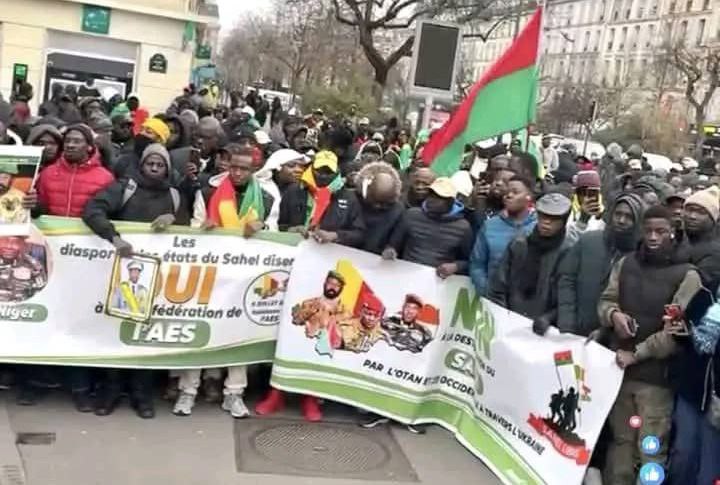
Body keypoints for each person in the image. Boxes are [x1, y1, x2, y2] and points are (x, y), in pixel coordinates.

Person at [82, 143, 189, 419]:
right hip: (121, 273)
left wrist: (174, 220)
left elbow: (191, 235)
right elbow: (93, 210)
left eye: (160, 164)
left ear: (167, 168)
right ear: (141, 165)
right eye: (150, 163)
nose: (154, 168)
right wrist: (113, 236)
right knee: (115, 332)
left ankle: (142, 395)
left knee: (146, 334)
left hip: (160, 278)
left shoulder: (176, 196)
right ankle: (111, 391)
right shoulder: (124, 188)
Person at [598, 205, 702, 485]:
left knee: (651, 449)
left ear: (673, 233)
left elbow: (675, 332)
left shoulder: (687, 275)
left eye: (661, 231)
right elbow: (606, 300)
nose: (653, 237)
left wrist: (636, 353)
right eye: (648, 231)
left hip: (657, 381)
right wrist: (613, 315)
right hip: (620, 372)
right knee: (620, 443)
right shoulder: (626, 263)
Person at [173, 146, 273, 418]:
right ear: (227, 166)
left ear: (254, 171)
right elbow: (194, 229)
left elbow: (275, 239)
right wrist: (204, 229)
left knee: (238, 334)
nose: (238, 173)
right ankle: (188, 391)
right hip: (211, 274)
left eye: (245, 169)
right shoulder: (207, 193)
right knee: (200, 331)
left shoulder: (265, 199)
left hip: (245, 278)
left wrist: (261, 227)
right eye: (234, 167)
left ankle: (234, 393)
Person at [28, 124, 114, 413]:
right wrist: (32, 203)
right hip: (49, 259)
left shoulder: (104, 178)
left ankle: (81, 388)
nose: (71, 145)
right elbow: (37, 207)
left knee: (79, 323)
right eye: (68, 141)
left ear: (90, 146)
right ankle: (35, 383)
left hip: (86, 264)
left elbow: (110, 214)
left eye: (78, 141)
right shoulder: (48, 174)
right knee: (44, 318)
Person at [257, 271, 346, 422]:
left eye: (337, 286)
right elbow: (296, 320)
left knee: (323, 359)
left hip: (324, 348)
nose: (333, 288)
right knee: (288, 350)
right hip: (303, 342)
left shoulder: (344, 310)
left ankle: (310, 399)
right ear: (325, 284)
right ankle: (276, 395)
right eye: (331, 283)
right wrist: (310, 311)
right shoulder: (310, 302)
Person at [557, 193, 645, 337]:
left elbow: (635, 305)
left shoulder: (639, 257)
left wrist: (605, 333)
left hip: (608, 341)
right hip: (570, 330)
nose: (622, 220)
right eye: (618, 214)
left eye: (629, 217)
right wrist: (567, 323)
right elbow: (566, 280)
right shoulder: (588, 241)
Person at [488, 193, 573, 333]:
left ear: (563, 221)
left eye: (553, 219)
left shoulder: (569, 251)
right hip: (510, 323)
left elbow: (569, 298)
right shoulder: (519, 243)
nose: (546, 222)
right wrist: (502, 315)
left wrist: (549, 318)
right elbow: (498, 286)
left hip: (544, 330)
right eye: (543, 216)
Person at [667, 280, 720, 484]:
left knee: (708, 471)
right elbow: (686, 333)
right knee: (683, 456)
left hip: (717, 402)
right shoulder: (706, 293)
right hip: (692, 391)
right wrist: (680, 330)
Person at [383, 177, 472, 280]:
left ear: (450, 201)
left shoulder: (463, 227)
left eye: (439, 197)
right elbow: (393, 244)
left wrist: (456, 266)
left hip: (438, 282)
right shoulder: (411, 215)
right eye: (431, 194)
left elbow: (470, 262)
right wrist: (390, 250)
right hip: (405, 276)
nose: (432, 199)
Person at [278, 150, 365, 248]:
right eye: (319, 170)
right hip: (295, 251)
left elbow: (359, 234)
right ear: (311, 168)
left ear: (337, 171)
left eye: (328, 171)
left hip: (328, 256)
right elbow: (281, 225)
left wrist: (335, 236)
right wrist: (290, 230)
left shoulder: (349, 198)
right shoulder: (293, 191)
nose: (323, 175)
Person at [470, 176, 537, 296]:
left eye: (515, 192)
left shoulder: (538, 227)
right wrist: (485, 290)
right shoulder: (490, 226)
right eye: (507, 192)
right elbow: (477, 264)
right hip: (492, 300)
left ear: (529, 197)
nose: (509, 195)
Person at [355, 162, 404, 255]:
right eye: (375, 201)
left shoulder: (398, 210)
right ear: (367, 190)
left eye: (384, 203)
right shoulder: (353, 199)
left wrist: (391, 248)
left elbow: (397, 237)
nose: (378, 206)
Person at [255, 148, 310, 231]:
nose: (299, 170)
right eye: (291, 166)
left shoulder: (302, 191)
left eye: (301, 166)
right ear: (277, 167)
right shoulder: (260, 188)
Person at [677, 186, 720, 288]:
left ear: (712, 219)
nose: (692, 216)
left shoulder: (715, 252)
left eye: (701, 212)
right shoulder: (677, 238)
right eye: (689, 210)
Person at [567, 170, 605, 241]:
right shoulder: (568, 211)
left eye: (592, 193)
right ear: (576, 193)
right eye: (582, 192)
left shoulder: (604, 215)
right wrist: (582, 222)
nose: (586, 198)